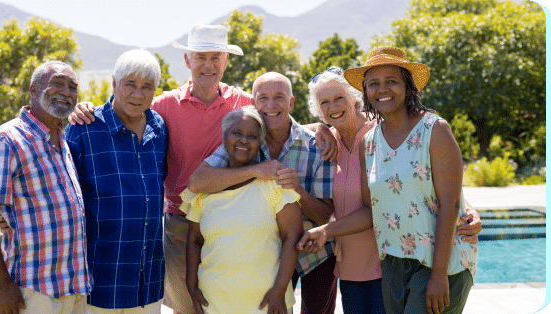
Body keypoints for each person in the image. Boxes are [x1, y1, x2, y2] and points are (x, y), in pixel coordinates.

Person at [68, 25, 337, 314]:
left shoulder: (244, 102)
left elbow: (276, 119)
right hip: (182, 226)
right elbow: (127, 106)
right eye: (200, 57)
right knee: (190, 308)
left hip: (242, 222)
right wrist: (85, 110)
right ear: (187, 60)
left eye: (215, 57)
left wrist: (321, 127)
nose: (208, 65)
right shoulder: (163, 107)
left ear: (226, 61)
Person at [297, 47, 478, 314]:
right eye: (373, 84)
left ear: (408, 85)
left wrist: (439, 274)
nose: (382, 89)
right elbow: (372, 209)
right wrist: (324, 231)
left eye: (391, 81)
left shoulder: (434, 129)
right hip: (393, 261)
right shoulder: (369, 144)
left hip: (441, 262)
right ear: (366, 91)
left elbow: (450, 201)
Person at [189, 72, 338, 314]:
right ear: (253, 103)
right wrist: (257, 170)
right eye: (263, 98)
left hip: (316, 254)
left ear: (290, 103)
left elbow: (323, 216)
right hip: (269, 256)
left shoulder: (318, 146)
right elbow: (197, 182)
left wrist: (298, 189)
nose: (270, 105)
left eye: (279, 97)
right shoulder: (245, 140)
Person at [0, 61, 91, 313]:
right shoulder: (6, 140)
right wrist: (3, 285)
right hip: (34, 292)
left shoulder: (62, 139)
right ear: (34, 90)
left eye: (72, 87)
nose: (66, 91)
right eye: (57, 83)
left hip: (74, 288)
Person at [64, 49, 167, 313]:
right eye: (130, 85)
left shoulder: (159, 128)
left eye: (147, 87)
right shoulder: (84, 127)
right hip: (101, 280)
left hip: (149, 280)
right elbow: (59, 189)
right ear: (114, 83)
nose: (138, 94)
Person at [183, 106, 303, 314]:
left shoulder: (274, 183)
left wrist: (279, 289)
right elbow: (194, 240)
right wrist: (191, 284)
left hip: (268, 302)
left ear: (260, 143)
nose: (244, 140)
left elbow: (292, 236)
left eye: (252, 136)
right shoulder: (204, 189)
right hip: (214, 301)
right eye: (237, 133)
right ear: (224, 137)